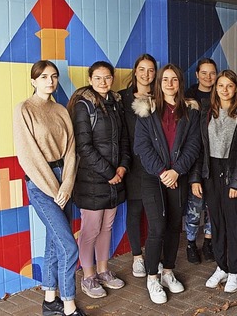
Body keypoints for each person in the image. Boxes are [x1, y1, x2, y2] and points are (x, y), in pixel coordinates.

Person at [13, 60, 86, 316]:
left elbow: (71, 152)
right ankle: (69, 306)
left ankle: (50, 299)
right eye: (44, 76)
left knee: (55, 242)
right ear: (33, 80)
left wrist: (66, 184)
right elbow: (28, 156)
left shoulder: (61, 110)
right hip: (40, 181)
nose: (50, 81)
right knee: (69, 247)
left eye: (54, 76)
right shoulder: (24, 109)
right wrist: (55, 188)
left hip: (63, 178)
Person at [132, 64, 201, 304]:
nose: (170, 84)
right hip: (154, 178)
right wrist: (163, 172)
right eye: (165, 80)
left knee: (174, 227)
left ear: (180, 83)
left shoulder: (190, 111)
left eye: (174, 80)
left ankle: (168, 272)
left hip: (177, 177)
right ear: (159, 83)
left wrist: (177, 170)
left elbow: (194, 145)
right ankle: (153, 277)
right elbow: (141, 146)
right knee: (157, 228)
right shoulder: (147, 111)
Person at [67, 61, 131, 299]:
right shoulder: (84, 105)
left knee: (107, 227)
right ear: (90, 79)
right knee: (90, 230)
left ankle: (104, 271)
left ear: (112, 78)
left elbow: (124, 139)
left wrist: (123, 167)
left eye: (107, 78)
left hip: (115, 178)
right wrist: (110, 173)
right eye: (98, 78)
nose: (103, 82)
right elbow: (84, 147)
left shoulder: (115, 103)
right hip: (92, 180)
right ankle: (88, 276)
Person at [189, 70, 237, 293]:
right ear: (215, 88)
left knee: (234, 224)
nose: (225, 90)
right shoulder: (207, 111)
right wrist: (196, 178)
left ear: (236, 88)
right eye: (221, 86)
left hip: (232, 172)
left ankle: (234, 271)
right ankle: (222, 266)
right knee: (216, 223)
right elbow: (200, 149)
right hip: (211, 172)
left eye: (229, 85)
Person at [119, 54, 157, 278]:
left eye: (151, 70)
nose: (146, 74)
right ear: (135, 71)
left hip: (155, 163)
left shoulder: (160, 96)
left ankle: (154, 255)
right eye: (142, 69)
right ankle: (137, 257)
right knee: (134, 210)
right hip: (133, 162)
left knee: (155, 212)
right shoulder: (123, 98)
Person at [184, 58, 218, 264]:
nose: (208, 77)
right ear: (197, 74)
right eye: (204, 73)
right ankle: (190, 243)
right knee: (195, 206)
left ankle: (208, 242)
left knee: (212, 207)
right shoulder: (188, 97)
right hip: (195, 158)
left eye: (212, 73)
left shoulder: (222, 94)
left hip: (216, 161)